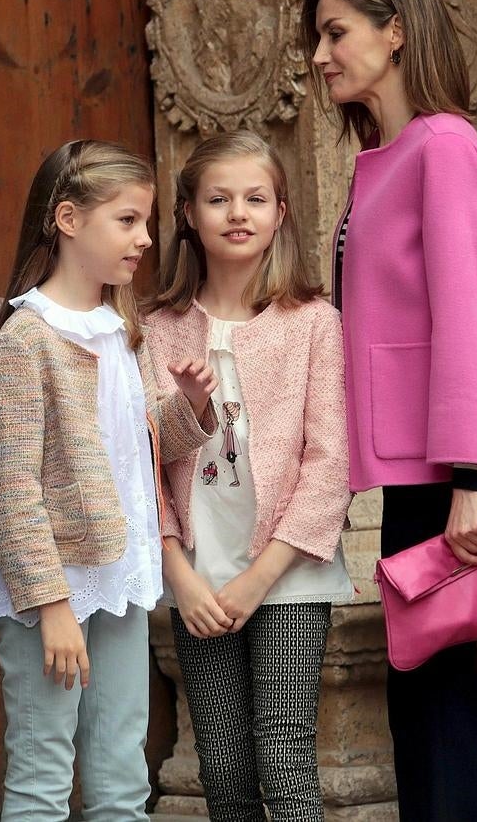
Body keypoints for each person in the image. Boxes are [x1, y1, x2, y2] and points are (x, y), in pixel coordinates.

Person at [299, 0, 477, 822]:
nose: (319, 55)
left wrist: (472, 487)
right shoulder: (394, 155)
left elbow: (474, 326)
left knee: (431, 691)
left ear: (396, 31)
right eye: (317, 37)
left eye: (336, 32)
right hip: (427, 465)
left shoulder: (442, 147)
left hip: (450, 466)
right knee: (440, 690)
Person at [0, 140, 218, 822]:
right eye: (128, 220)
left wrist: (190, 411)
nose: (145, 239)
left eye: (146, 223)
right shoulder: (27, 340)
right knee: (42, 779)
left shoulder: (120, 331)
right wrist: (51, 606)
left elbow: (134, 451)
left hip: (120, 579)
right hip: (48, 594)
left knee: (121, 780)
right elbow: (12, 488)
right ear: (69, 219)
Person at [144, 130, 353, 821]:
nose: (238, 212)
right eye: (218, 198)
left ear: (280, 211)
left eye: (255, 198)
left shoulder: (314, 324)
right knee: (223, 766)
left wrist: (259, 576)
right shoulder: (155, 329)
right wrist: (179, 573)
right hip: (197, 577)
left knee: (284, 754)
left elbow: (330, 462)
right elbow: (140, 463)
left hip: (287, 573)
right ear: (188, 214)